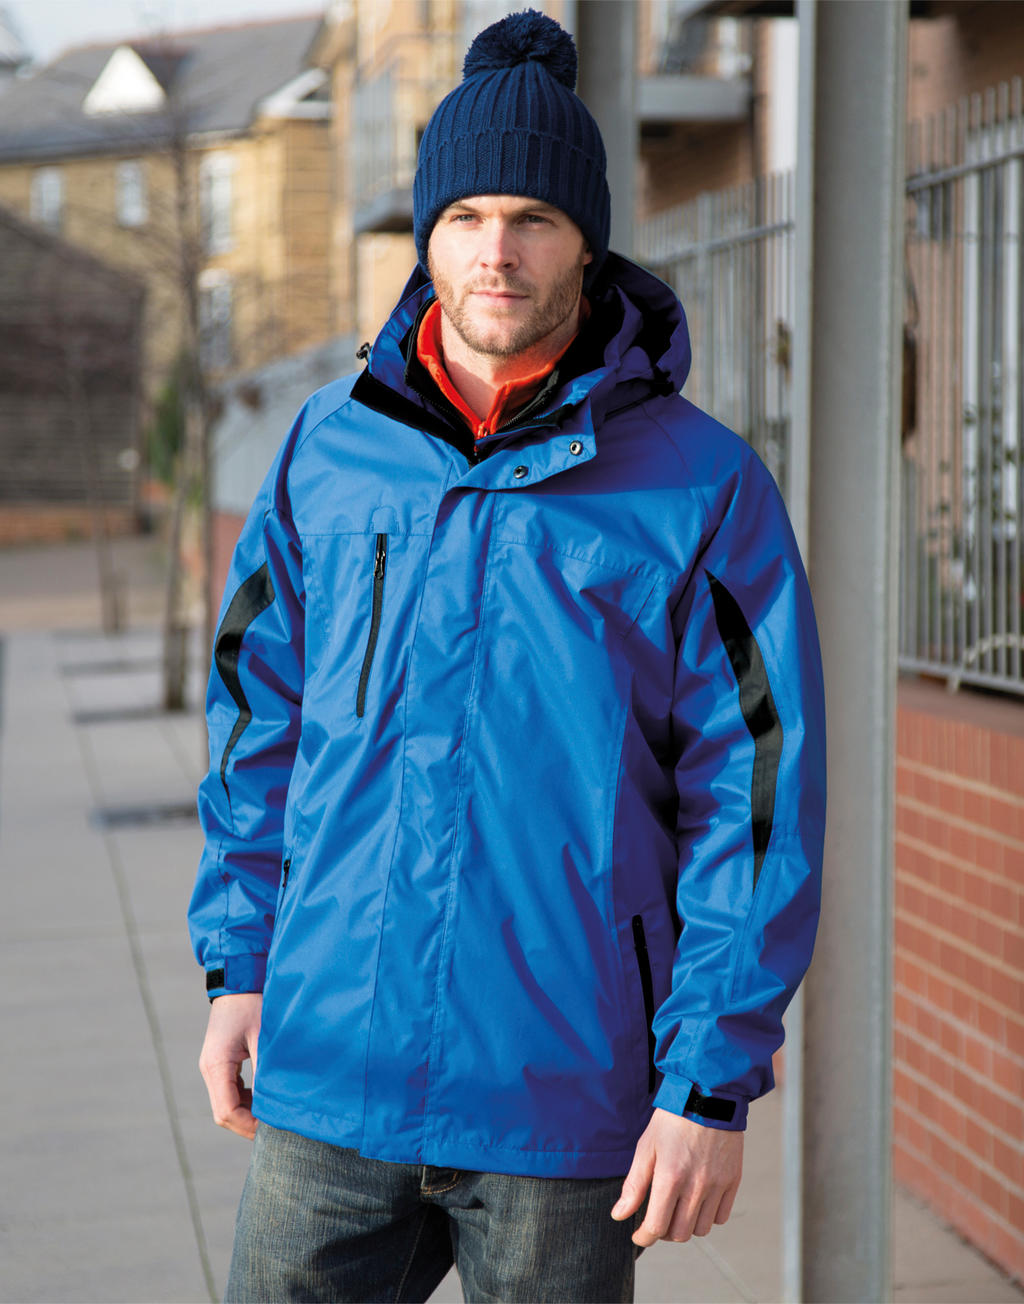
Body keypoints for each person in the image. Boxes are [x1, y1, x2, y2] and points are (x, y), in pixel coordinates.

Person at [188, 10, 826, 1303]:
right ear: (427, 236)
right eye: (468, 215)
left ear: (587, 241)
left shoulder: (701, 486)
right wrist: (236, 966)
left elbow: (754, 799)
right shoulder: (326, 449)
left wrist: (709, 1081)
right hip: (328, 1070)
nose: (497, 249)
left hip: (563, 1102)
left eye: (533, 217)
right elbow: (257, 722)